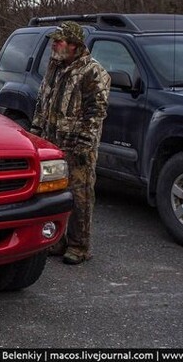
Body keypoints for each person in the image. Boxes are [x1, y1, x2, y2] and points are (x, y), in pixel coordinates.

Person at [30, 21, 110, 265]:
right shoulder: (54, 67)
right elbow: (41, 103)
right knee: (54, 195)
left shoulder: (92, 72)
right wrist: (34, 134)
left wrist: (84, 145)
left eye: (60, 40)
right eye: (54, 40)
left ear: (74, 45)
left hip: (77, 146)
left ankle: (79, 245)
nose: (55, 44)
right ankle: (58, 240)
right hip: (52, 143)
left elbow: (95, 112)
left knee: (79, 196)